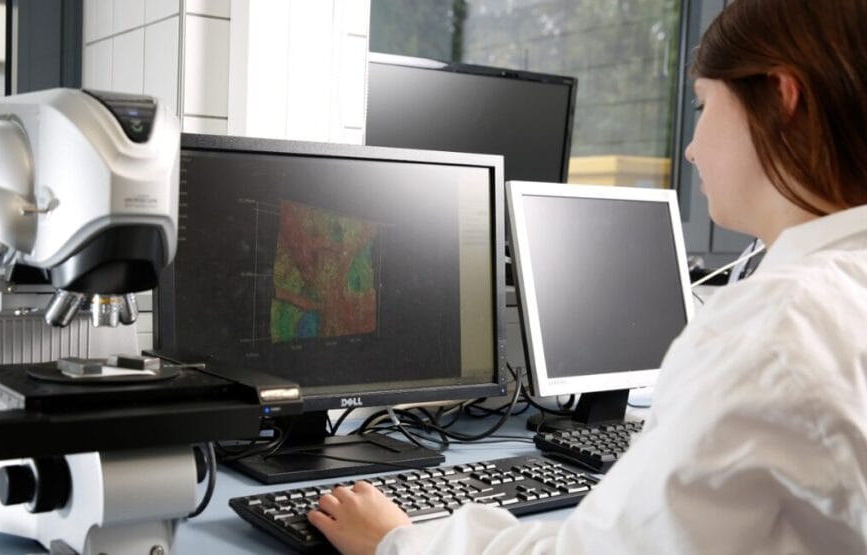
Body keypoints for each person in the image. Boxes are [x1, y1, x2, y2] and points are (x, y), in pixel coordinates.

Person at [306, 0, 867, 553]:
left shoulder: (775, 328)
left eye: (702, 104)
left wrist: (400, 540)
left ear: (781, 98)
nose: (691, 149)